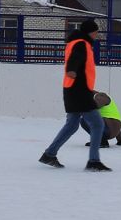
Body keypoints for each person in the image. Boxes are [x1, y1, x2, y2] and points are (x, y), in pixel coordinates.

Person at [39, 17, 109, 171]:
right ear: (90, 32)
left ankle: (49, 154)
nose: (97, 35)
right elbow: (75, 59)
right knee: (97, 124)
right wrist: (71, 69)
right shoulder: (81, 44)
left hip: (71, 89)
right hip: (79, 90)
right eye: (96, 32)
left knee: (71, 125)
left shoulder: (76, 42)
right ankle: (94, 161)